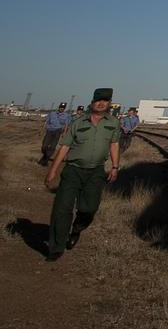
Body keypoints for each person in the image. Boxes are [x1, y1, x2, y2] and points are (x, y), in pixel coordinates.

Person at [44, 87, 121, 261]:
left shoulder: (113, 123)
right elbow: (64, 147)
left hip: (96, 172)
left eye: (105, 101)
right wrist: (53, 171)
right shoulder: (78, 123)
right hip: (73, 170)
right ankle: (56, 248)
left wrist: (115, 167)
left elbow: (114, 144)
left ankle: (77, 229)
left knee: (89, 208)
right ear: (92, 103)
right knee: (62, 208)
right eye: (98, 100)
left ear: (109, 104)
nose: (101, 104)